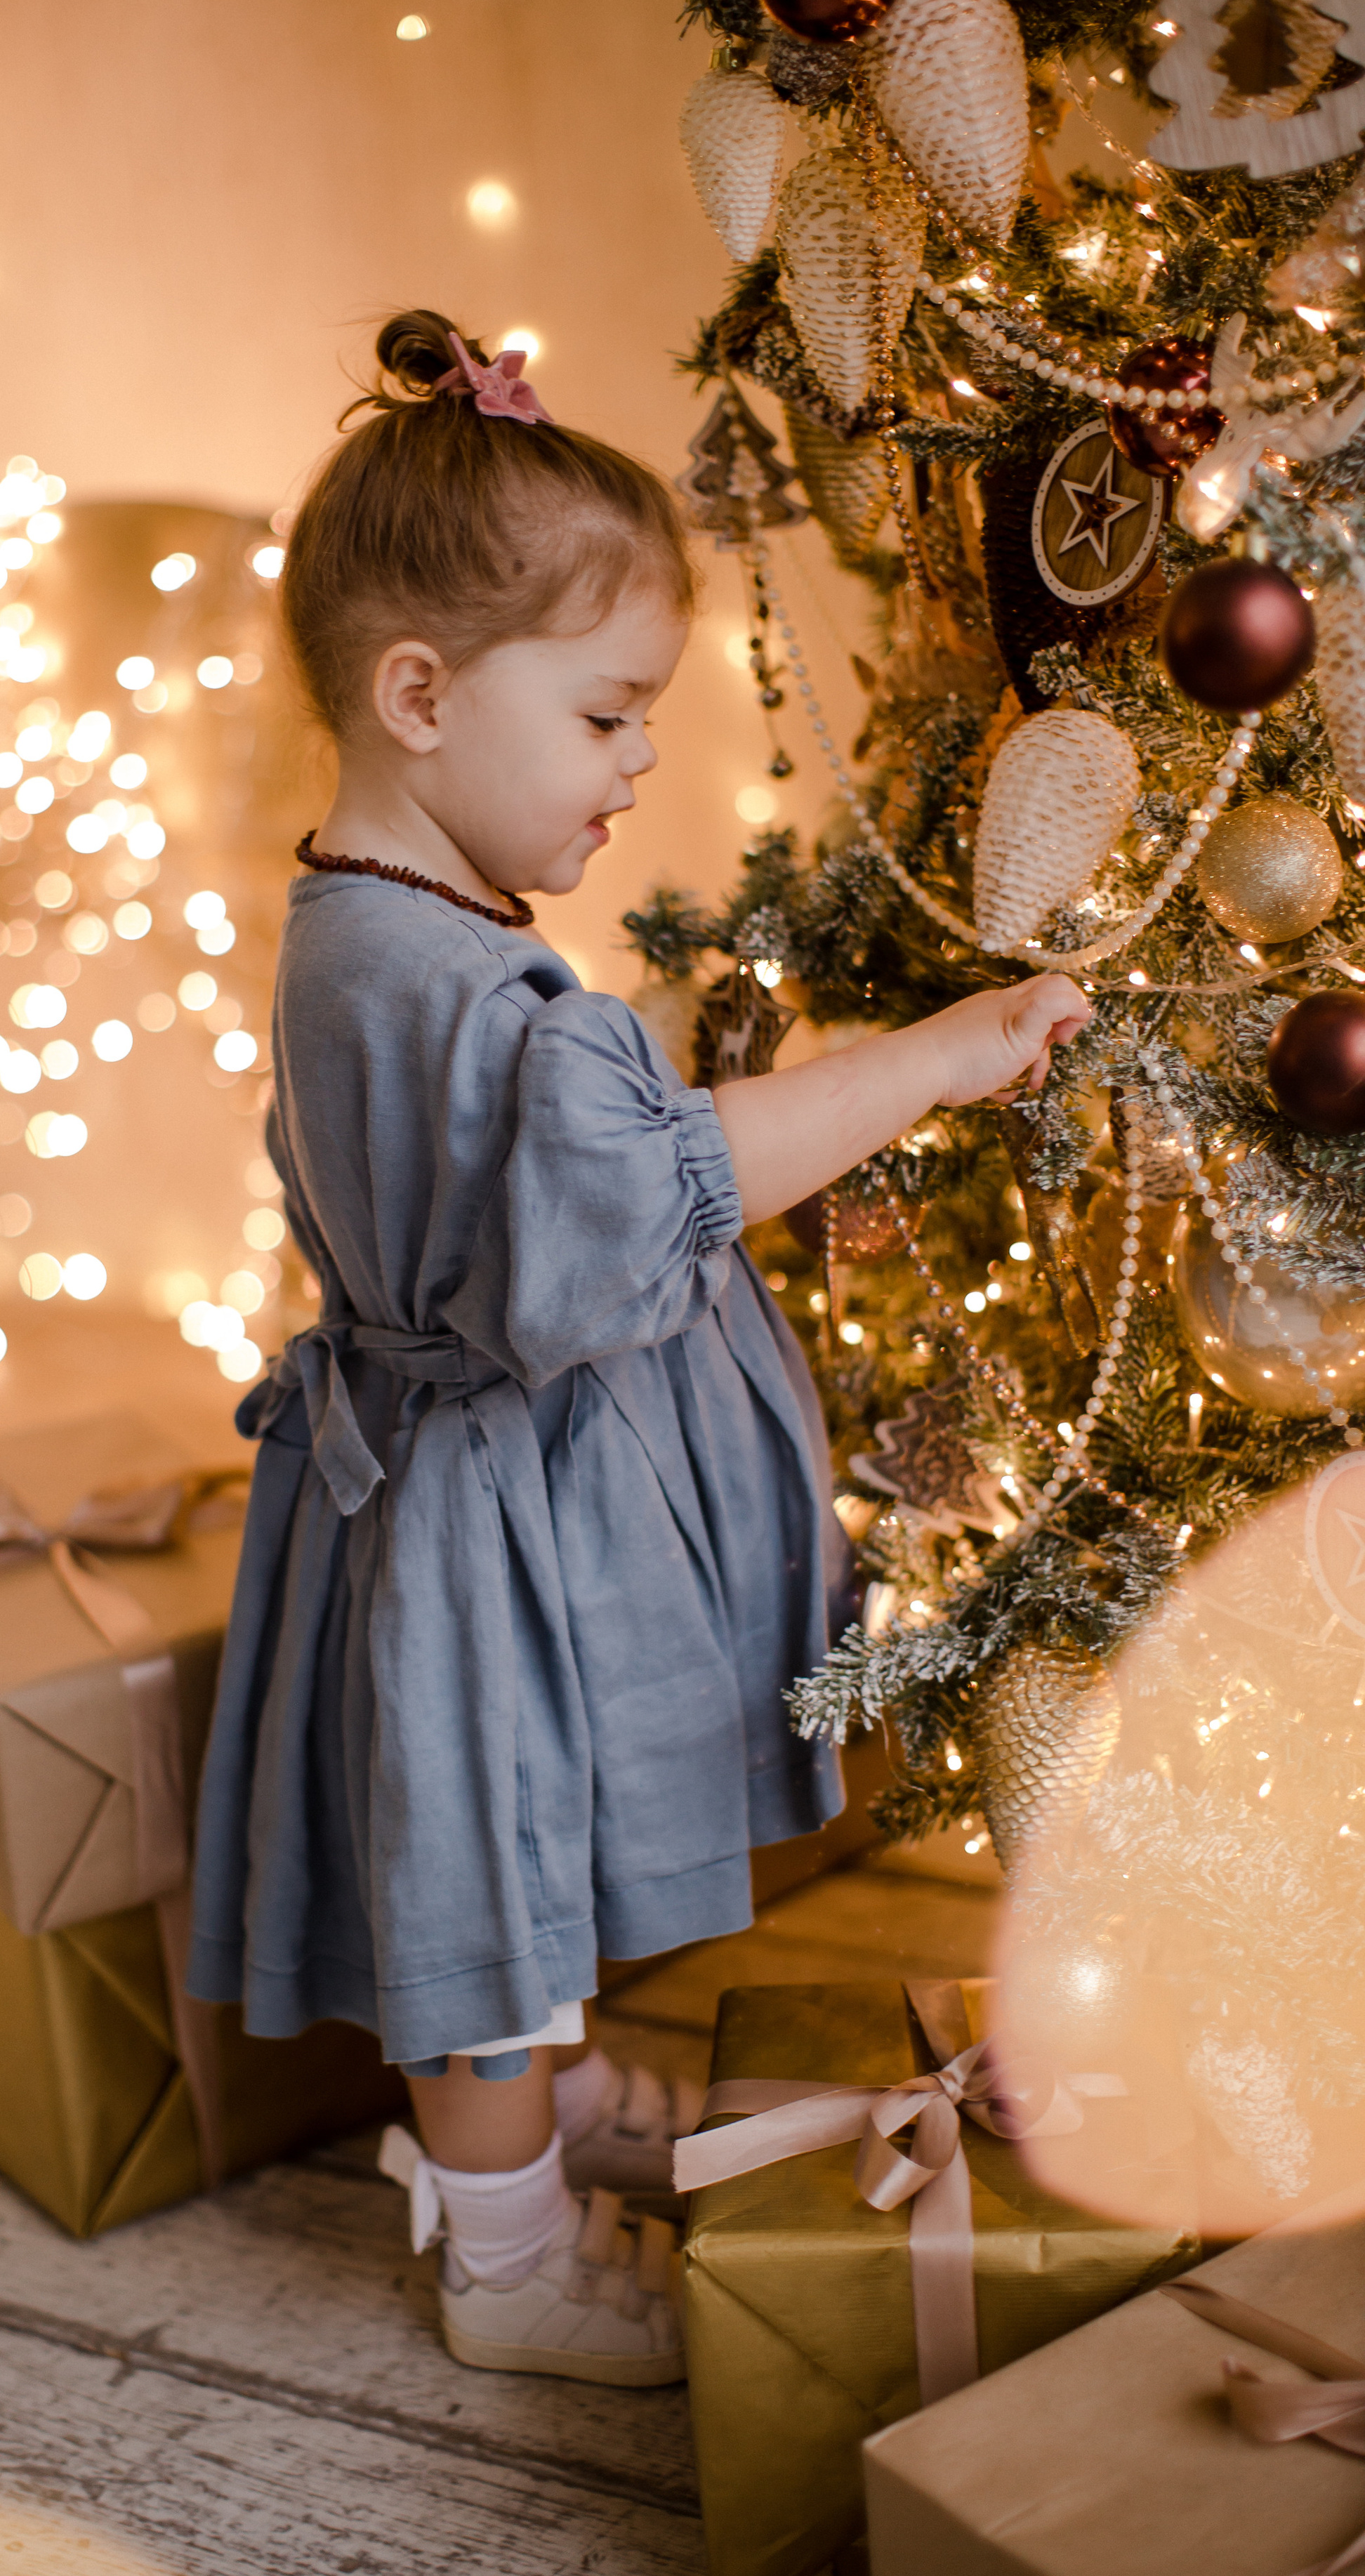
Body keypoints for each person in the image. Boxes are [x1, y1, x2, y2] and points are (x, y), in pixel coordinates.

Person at [187, 312, 1090, 2386]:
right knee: (484, 1877)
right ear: (421, 697)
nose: (639, 762)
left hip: (474, 1488)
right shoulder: (445, 986)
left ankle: (550, 2107)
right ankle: (504, 2260)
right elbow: (667, 1184)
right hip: (478, 1515)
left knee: (525, 1830)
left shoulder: (388, 928)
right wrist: (937, 1057)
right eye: (603, 714)